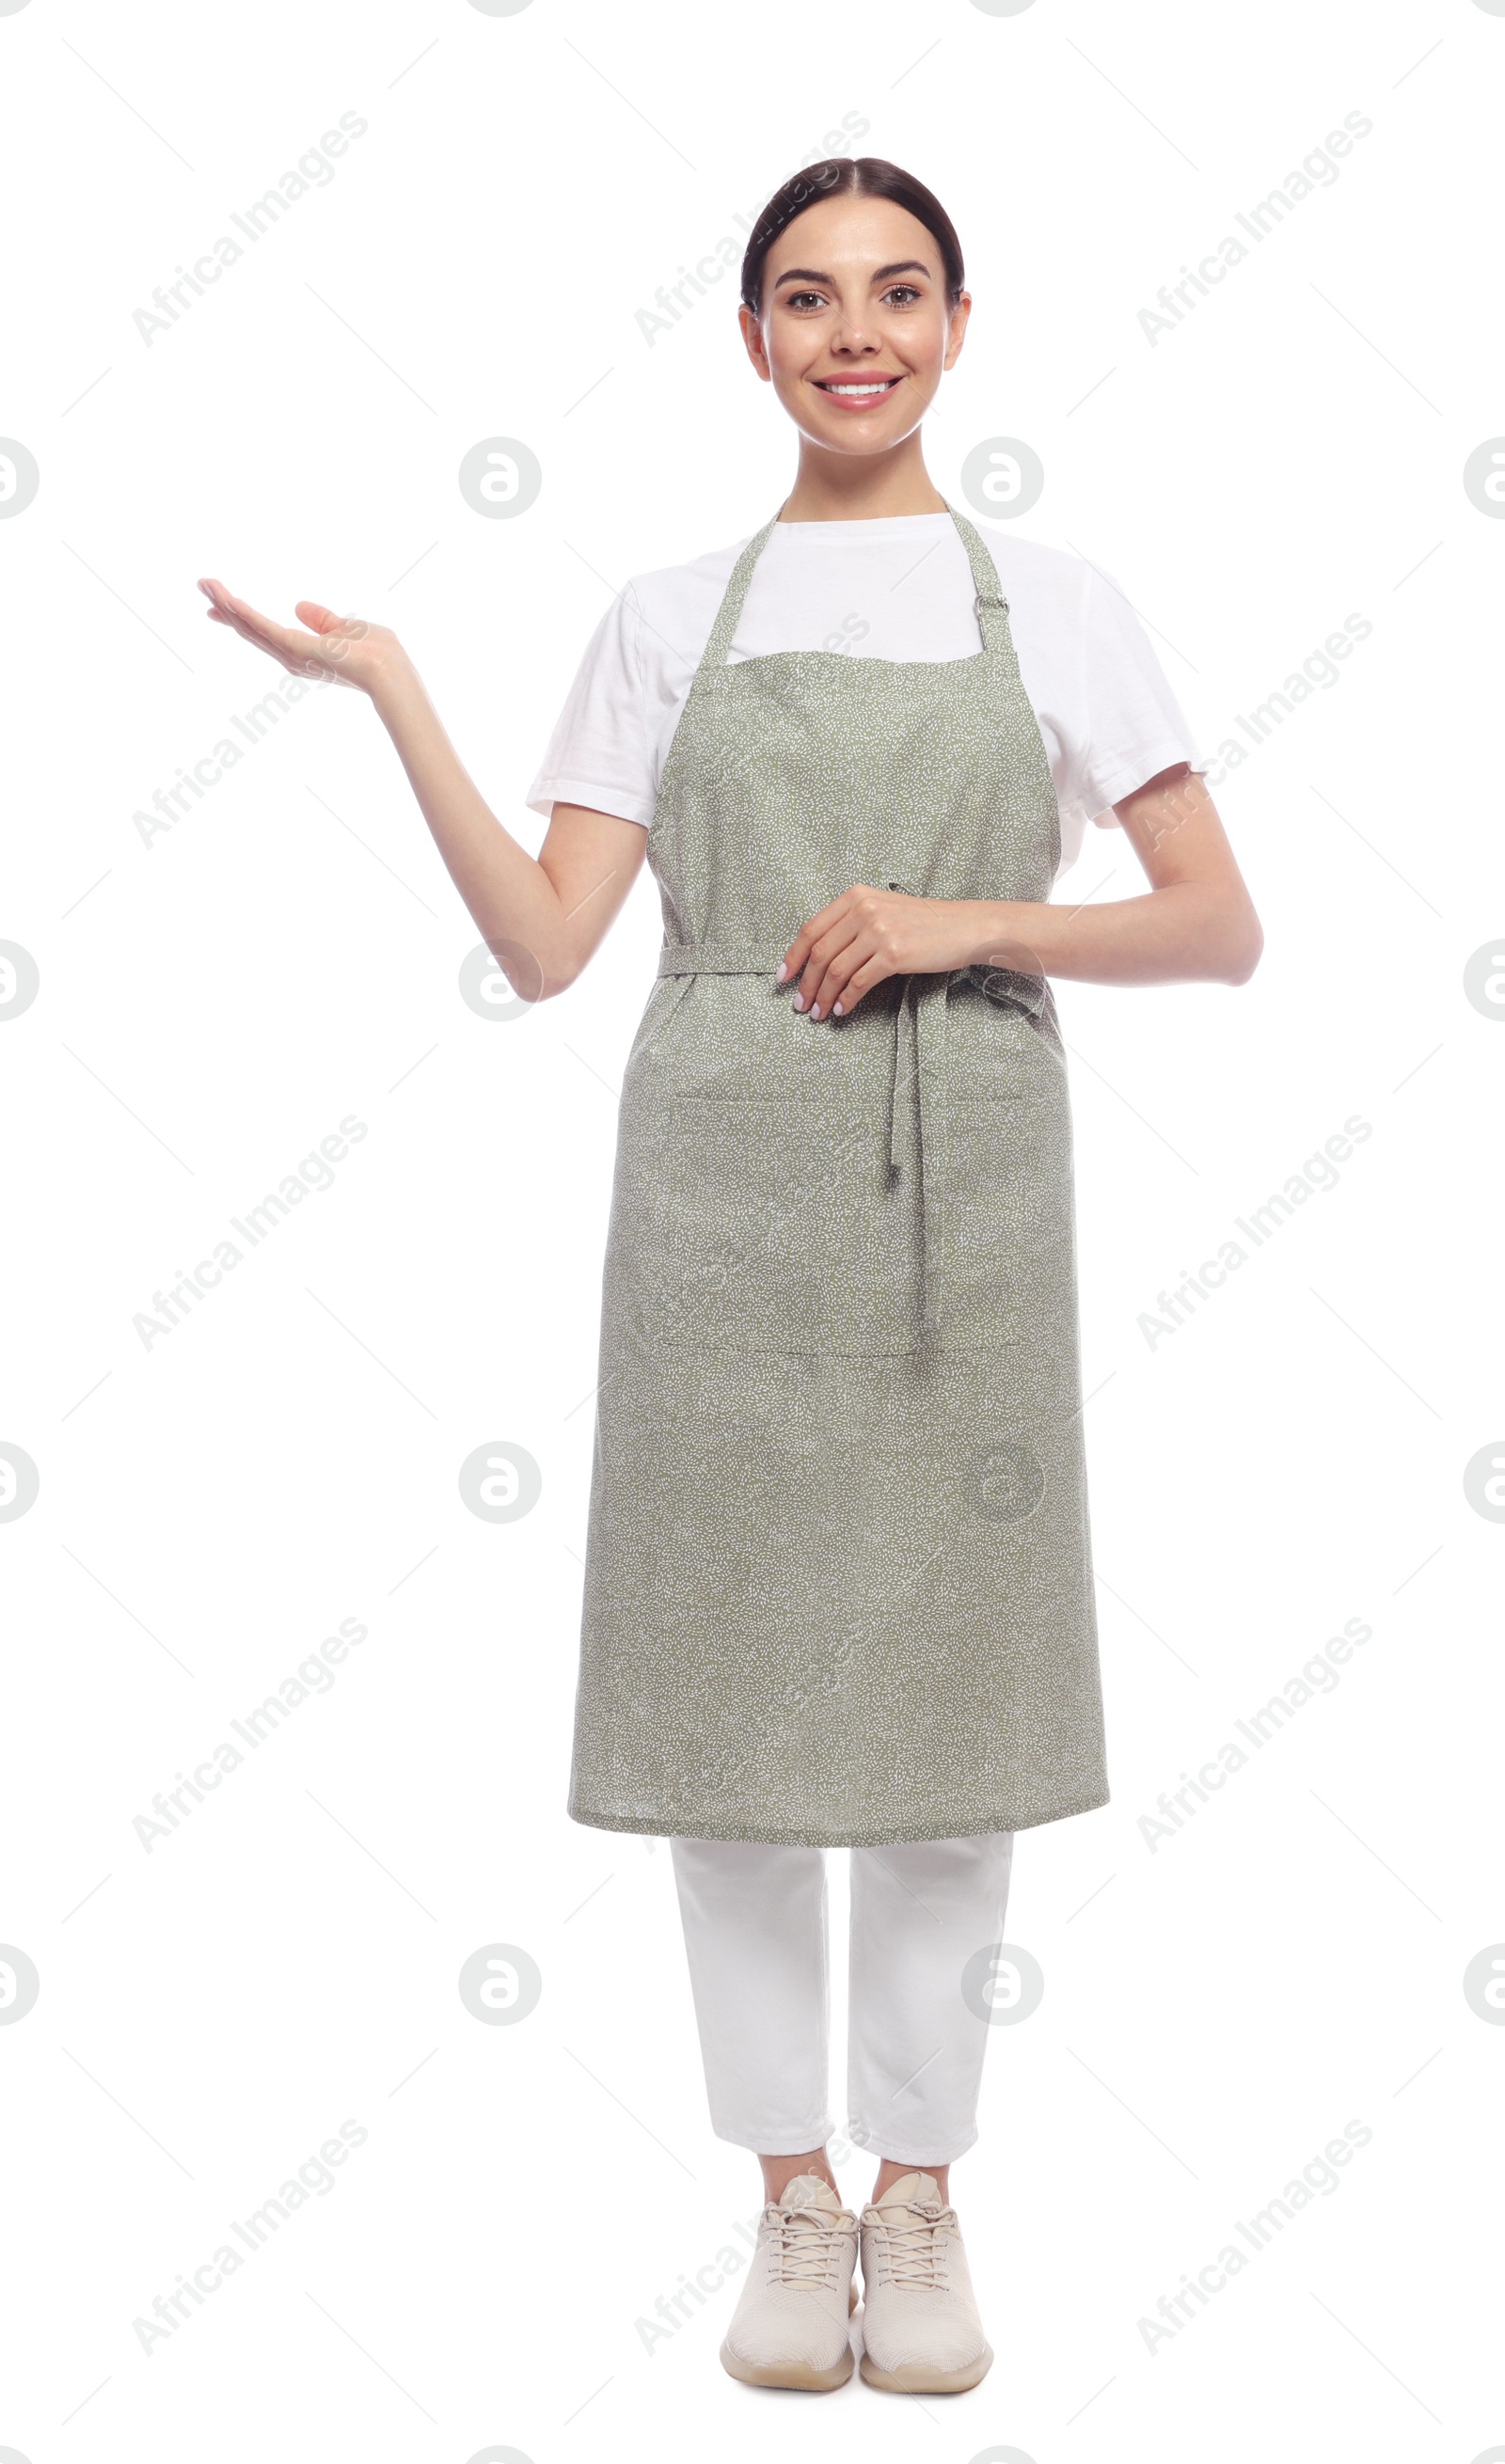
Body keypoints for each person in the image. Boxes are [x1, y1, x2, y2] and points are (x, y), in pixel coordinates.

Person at [196, 153, 1261, 2399]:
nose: (850, 331)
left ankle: (927, 2191)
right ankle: (787, 2194)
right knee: (732, 1709)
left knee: (952, 1711)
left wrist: (967, 917)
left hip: (969, 1157)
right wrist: (392, 689)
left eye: (894, 292)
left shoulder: (1055, 604)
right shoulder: (665, 611)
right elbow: (547, 943)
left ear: (959, 325)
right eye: (803, 296)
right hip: (715, 1180)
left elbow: (1211, 920)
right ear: (751, 336)